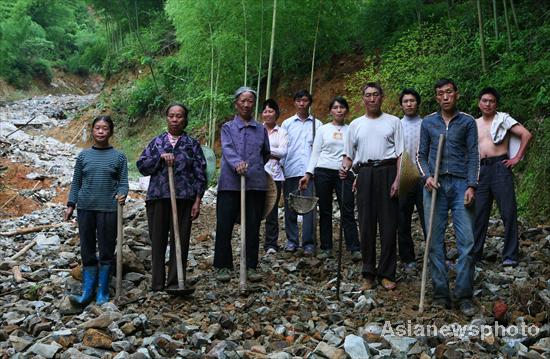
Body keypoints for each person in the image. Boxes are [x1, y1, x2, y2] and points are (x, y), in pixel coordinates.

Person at [417, 79, 479, 316]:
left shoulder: (467, 122)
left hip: (461, 183)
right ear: (436, 97)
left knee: (467, 241)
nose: (445, 97)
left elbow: (474, 155)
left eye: (449, 92)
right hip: (435, 185)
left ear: (457, 94)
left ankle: (464, 294)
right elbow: (421, 156)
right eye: (440, 93)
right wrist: (427, 178)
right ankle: (441, 293)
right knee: (433, 239)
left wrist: (472, 185)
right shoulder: (428, 122)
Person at [137, 103, 207, 292]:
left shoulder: (192, 144)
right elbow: (142, 166)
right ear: (166, 118)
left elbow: (201, 173)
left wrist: (197, 200)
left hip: (184, 198)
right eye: (171, 116)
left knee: (181, 240)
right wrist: (159, 158)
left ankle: (176, 282)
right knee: (157, 239)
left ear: (185, 119)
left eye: (179, 116)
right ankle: (157, 283)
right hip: (158, 197)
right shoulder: (157, 143)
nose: (175, 120)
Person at [341, 83, 403, 290]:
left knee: (388, 224)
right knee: (366, 223)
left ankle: (387, 273)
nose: (372, 99)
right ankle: (368, 273)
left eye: (376, 95)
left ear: (382, 98)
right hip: (365, 172)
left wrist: (397, 179)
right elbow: (349, 156)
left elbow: (401, 154)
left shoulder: (394, 122)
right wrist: (344, 168)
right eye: (368, 95)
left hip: (387, 171)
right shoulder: (355, 125)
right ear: (363, 99)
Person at [65, 115, 129, 306]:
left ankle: (102, 292)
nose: (101, 132)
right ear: (92, 131)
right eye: (97, 128)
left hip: (109, 208)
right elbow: (76, 182)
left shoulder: (119, 157)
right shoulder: (83, 155)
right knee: (87, 249)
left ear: (111, 132)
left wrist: (122, 193)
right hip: (85, 207)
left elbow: (123, 183)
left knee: (107, 250)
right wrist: (71, 204)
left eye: (105, 128)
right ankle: (87, 292)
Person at [214, 87, 270, 282]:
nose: (246, 104)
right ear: (236, 103)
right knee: (224, 224)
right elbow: (227, 149)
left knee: (253, 225)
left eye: (250, 101)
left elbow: (266, 153)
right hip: (230, 183)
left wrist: (253, 167)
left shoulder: (261, 129)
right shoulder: (228, 128)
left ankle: (251, 265)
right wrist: (237, 163)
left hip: (255, 184)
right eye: (243, 101)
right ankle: (222, 265)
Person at [472, 87, 532, 267]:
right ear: (479, 103)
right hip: (481, 169)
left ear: (495, 104)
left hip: (500, 166)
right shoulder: (474, 123)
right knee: (479, 213)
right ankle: (475, 255)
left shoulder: (503, 119)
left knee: (508, 212)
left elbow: (526, 135)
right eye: (484, 100)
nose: (487, 104)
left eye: (491, 101)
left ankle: (510, 255)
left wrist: (517, 157)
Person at [299, 96, 361, 261]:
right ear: (330, 111)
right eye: (335, 107)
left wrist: (354, 171)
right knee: (325, 210)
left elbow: (356, 154)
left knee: (347, 209)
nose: (339, 110)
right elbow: (316, 153)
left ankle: (354, 247)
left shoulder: (352, 129)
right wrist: (308, 173)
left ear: (346, 110)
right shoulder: (323, 130)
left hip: (344, 172)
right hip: (323, 171)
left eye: (342, 107)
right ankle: (326, 247)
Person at [281, 89, 322, 255]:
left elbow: (319, 149)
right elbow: (283, 147)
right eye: (298, 100)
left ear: (309, 103)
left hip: (309, 171)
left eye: (305, 100)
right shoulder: (287, 124)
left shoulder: (317, 124)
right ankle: (291, 240)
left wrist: (311, 170)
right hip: (290, 169)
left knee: (309, 208)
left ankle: (308, 242)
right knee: (290, 206)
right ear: (294, 102)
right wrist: (281, 169)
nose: (302, 103)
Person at [397, 89, 426, 272]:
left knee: (428, 218)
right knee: (402, 219)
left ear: (418, 103)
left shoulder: (426, 124)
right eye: (406, 101)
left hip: (423, 176)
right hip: (403, 177)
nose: (409, 104)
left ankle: (437, 254)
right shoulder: (396, 125)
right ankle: (407, 258)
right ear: (401, 105)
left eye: (412, 101)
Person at [262, 99, 288, 255]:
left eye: (270, 111)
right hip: (258, 175)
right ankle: (251, 241)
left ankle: (271, 244)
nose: (267, 114)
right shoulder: (257, 129)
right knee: (254, 210)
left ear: (276, 114)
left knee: (272, 212)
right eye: (265, 111)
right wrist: (273, 152)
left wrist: (264, 151)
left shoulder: (282, 131)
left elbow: (283, 152)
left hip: (276, 176)